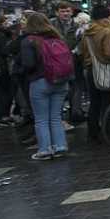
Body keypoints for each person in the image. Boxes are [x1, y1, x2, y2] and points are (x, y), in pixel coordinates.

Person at [21, 13, 73, 160]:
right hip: (61, 81)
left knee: (41, 119)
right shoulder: (57, 38)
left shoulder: (29, 41)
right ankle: (60, 146)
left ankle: (45, 149)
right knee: (56, 117)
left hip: (40, 82)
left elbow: (28, 64)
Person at [80, 5, 110, 144]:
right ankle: (107, 132)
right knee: (109, 104)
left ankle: (93, 133)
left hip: (90, 70)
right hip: (106, 71)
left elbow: (81, 51)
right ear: (105, 18)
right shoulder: (107, 31)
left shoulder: (87, 32)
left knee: (95, 103)